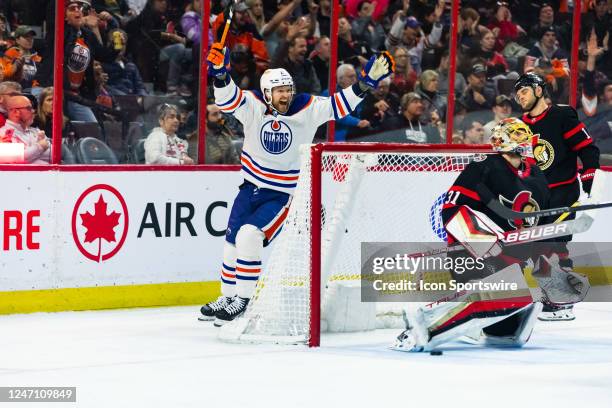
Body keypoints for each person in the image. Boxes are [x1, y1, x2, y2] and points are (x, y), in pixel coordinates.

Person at [199, 41, 394, 325]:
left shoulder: (308, 107)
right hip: (249, 187)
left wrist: (366, 83)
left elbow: (340, 105)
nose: (285, 95)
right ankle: (228, 297)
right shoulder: (254, 105)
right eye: (279, 91)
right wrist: (219, 74)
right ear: (266, 93)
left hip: (283, 194)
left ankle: (243, 301)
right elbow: (228, 100)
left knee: (249, 237)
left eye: (287, 89)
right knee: (230, 242)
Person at [394, 118, 552, 352]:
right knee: (510, 288)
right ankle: (422, 326)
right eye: (518, 134)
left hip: (513, 259)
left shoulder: (536, 175)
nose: (526, 138)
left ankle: (503, 332)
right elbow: (451, 211)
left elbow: (539, 220)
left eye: (525, 133)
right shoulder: (484, 165)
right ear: (501, 140)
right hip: (475, 256)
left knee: (533, 291)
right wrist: (486, 243)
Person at [514, 72, 600, 321]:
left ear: (539, 91)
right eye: (517, 94)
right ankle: (552, 294)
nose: (520, 97)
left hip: (563, 192)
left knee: (555, 246)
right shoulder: (519, 125)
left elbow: (587, 147)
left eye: (525, 91)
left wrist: (589, 173)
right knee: (533, 250)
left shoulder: (561, 115)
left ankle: (563, 301)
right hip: (536, 197)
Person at [0, 95, 50, 164]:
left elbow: (52, 154)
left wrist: (31, 154)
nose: (33, 111)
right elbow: (17, 159)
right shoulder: (3, 133)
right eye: (29, 108)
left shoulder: (36, 131)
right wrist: (39, 147)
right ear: (15, 112)